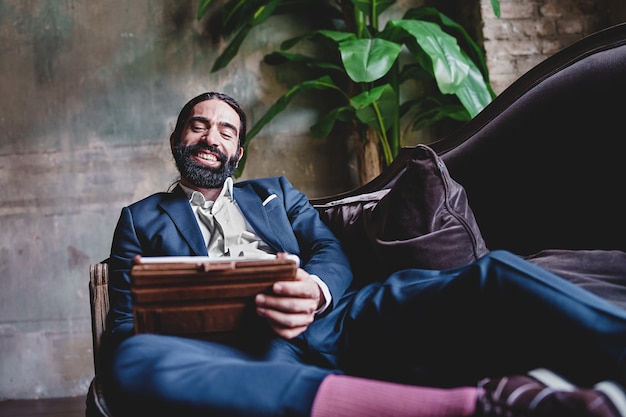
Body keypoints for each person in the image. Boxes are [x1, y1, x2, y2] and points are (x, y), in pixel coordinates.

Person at [103, 91, 626, 417]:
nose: (210, 137)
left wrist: (317, 290)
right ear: (177, 139)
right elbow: (124, 325)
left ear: (238, 151)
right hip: (230, 348)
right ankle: (478, 406)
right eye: (198, 125)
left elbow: (328, 249)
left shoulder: (276, 193)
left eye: (226, 130)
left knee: (493, 274)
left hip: (335, 319)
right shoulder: (140, 219)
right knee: (130, 360)